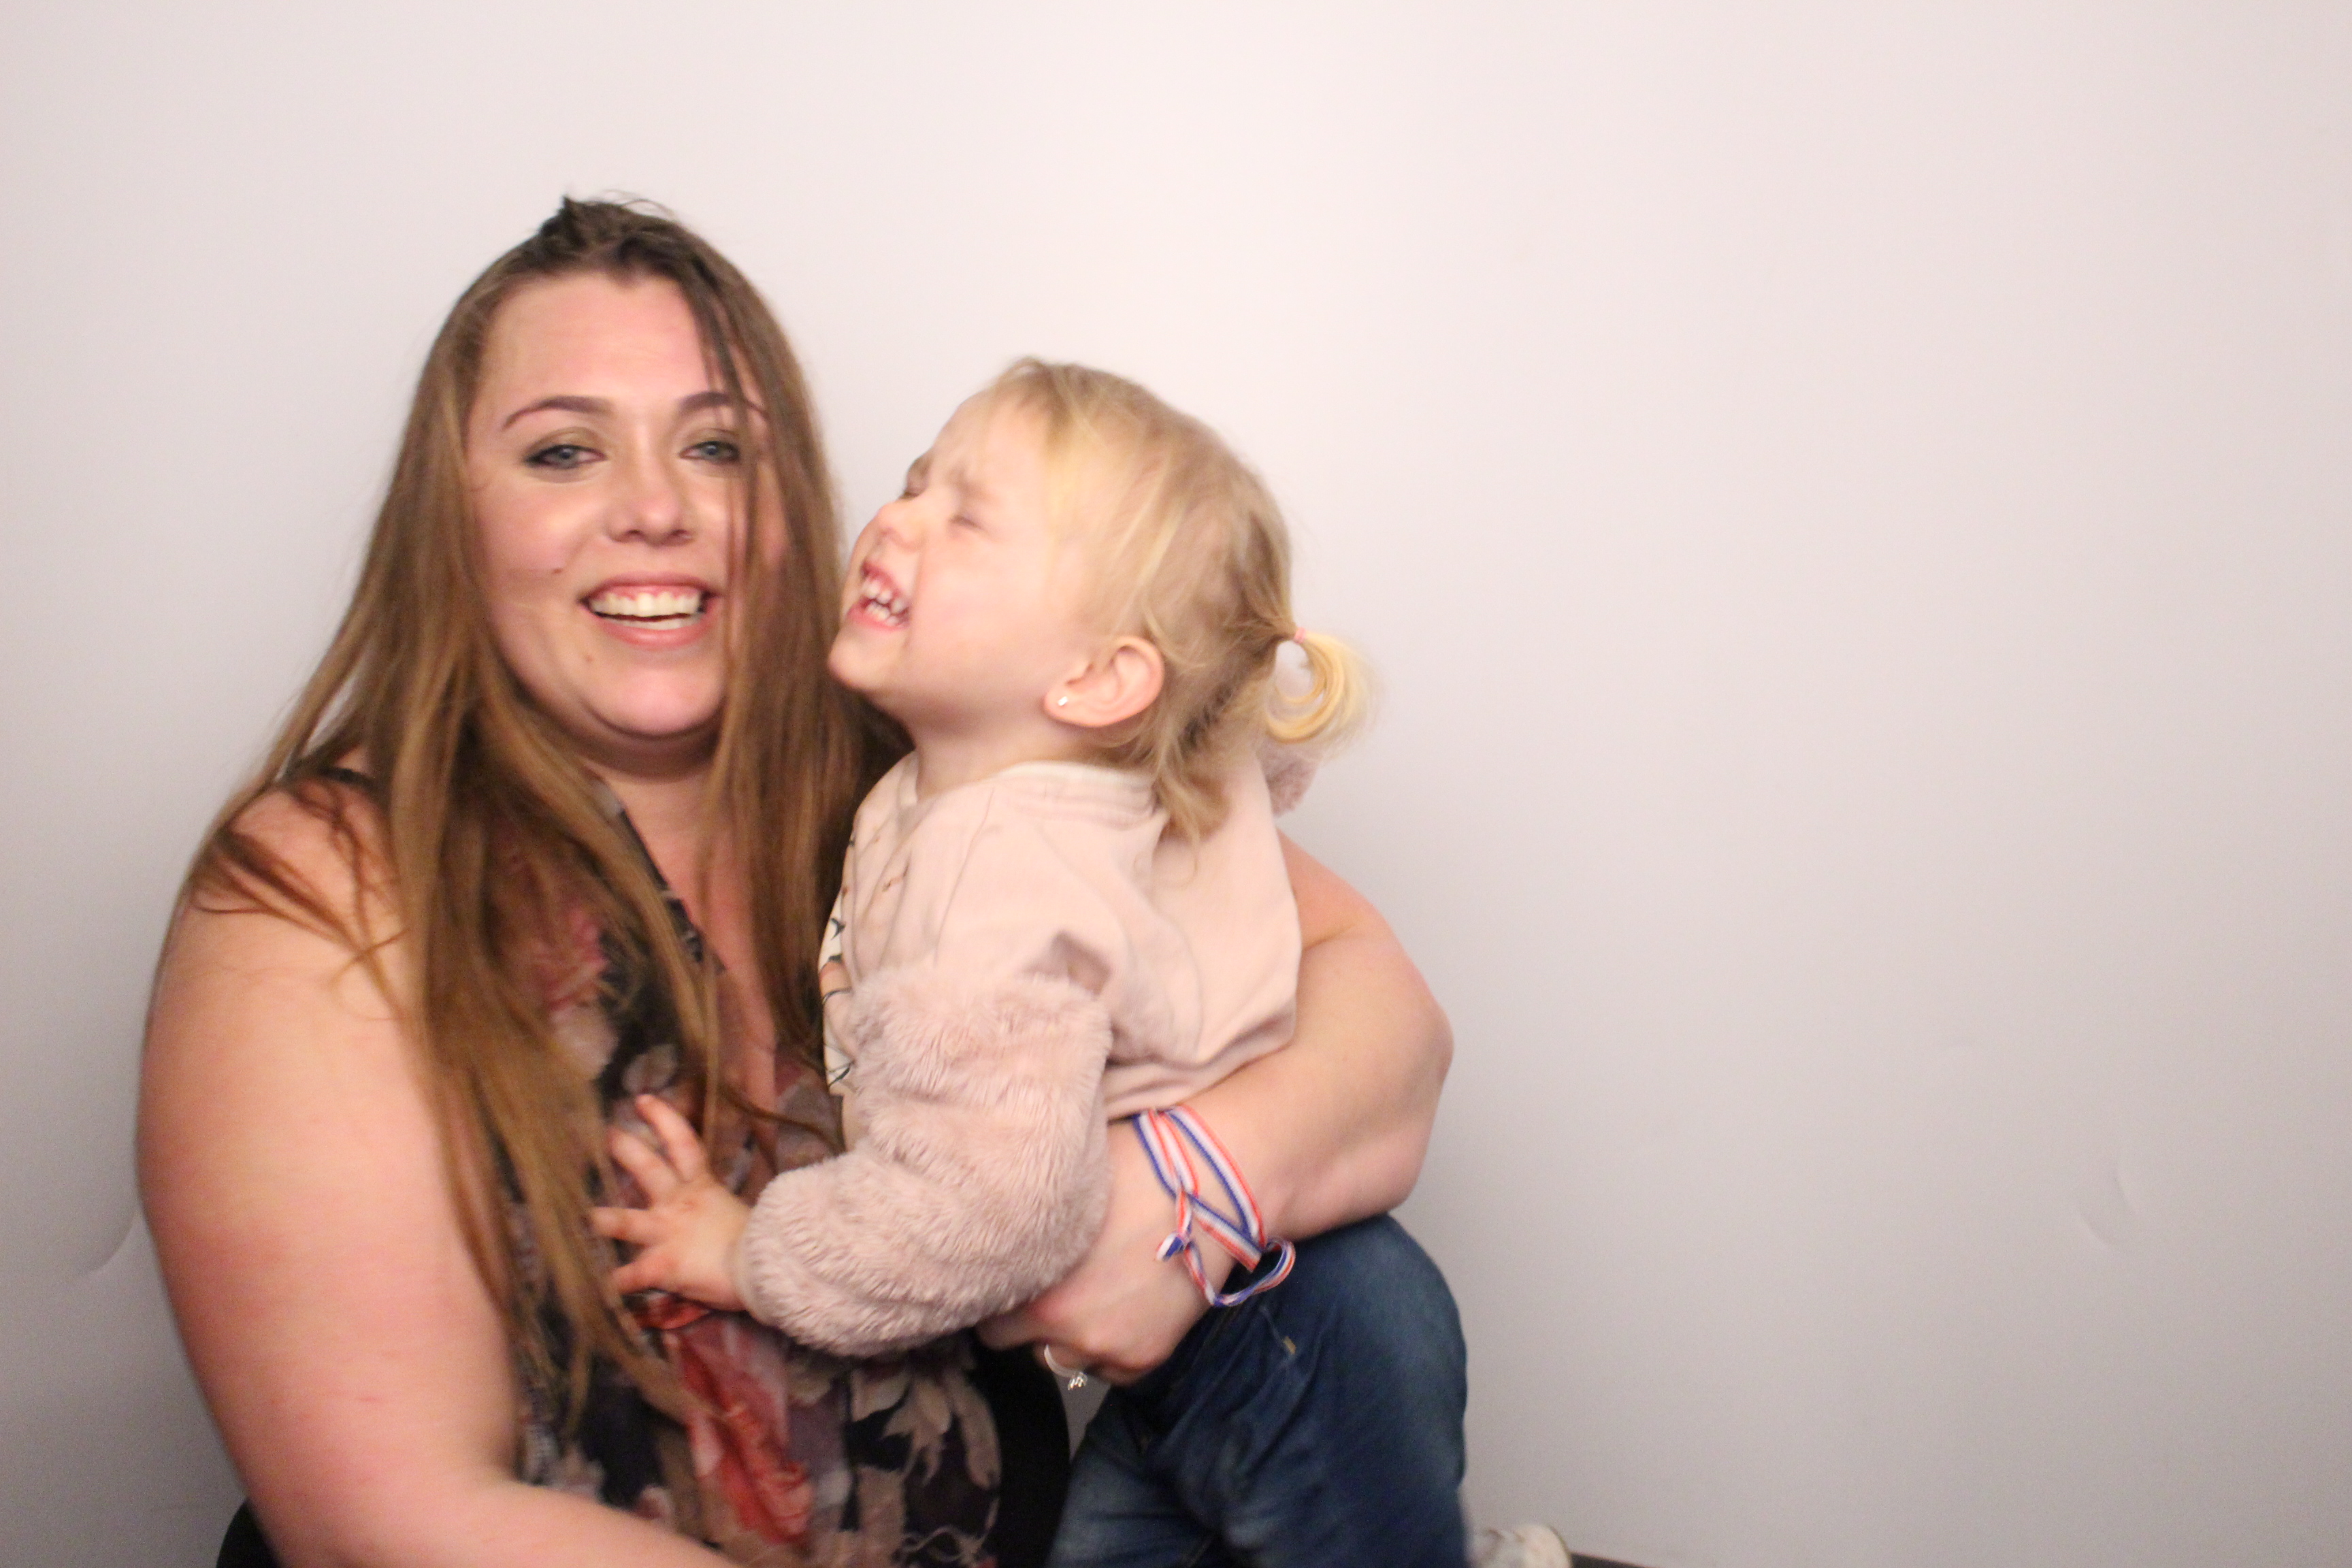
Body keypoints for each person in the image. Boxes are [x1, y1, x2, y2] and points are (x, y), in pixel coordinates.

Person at [138, 197, 1454, 1568]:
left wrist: (1181, 1196)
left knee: (1345, 1288)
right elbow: (388, 1522)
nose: (655, 509)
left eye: (714, 446)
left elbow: (1388, 1020)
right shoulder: (327, 880)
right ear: (450, 519)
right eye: (565, 451)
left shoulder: (949, 778)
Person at [593, 359, 1469, 1567]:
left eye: (967, 518)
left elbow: (980, 1215)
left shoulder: (1001, 872)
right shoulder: (1032, 776)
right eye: (916, 483)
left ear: (1101, 679)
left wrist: (743, 1252)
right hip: (1226, 1343)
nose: (894, 519)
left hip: (1279, 1339)